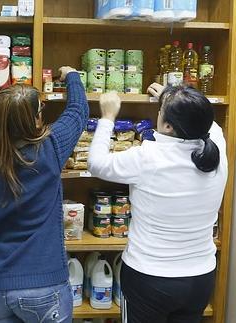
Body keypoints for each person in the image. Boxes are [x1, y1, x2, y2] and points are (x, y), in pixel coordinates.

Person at [0, 67, 89, 323]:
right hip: (43, 284)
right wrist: (71, 76)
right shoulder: (51, 148)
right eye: (39, 112)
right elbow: (78, 112)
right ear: (33, 120)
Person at [88, 83, 228, 323]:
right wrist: (173, 97)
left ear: (168, 126)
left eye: (162, 111)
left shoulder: (147, 157)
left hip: (150, 278)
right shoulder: (216, 151)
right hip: (200, 277)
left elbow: (96, 163)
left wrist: (108, 116)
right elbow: (206, 120)